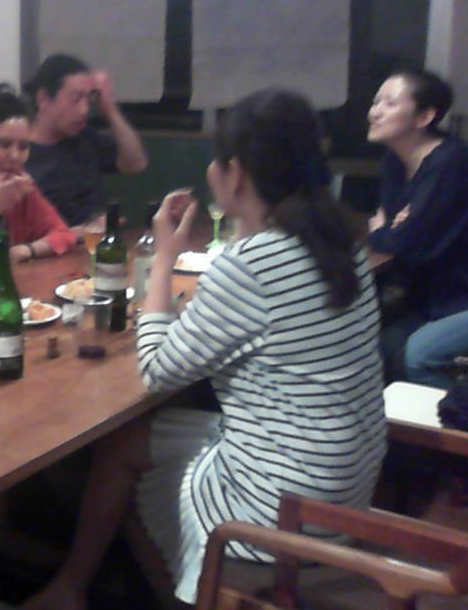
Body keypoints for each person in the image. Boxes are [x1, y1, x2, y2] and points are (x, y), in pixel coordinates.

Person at [23, 89, 386, 610]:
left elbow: (156, 370)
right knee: (125, 442)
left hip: (279, 501)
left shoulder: (253, 264)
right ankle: (73, 588)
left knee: (129, 466)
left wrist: (163, 257)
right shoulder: (342, 242)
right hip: (343, 485)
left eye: (217, 162)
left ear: (234, 174)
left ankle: (190, 594)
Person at [365, 68, 468, 385]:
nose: (375, 112)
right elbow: (398, 233)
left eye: (389, 103)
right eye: (375, 102)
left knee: (418, 356)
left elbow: (404, 242)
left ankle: (466, 415)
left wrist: (386, 230)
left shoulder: (450, 163)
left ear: (424, 116)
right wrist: (393, 229)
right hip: (441, 295)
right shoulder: (395, 161)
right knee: (374, 346)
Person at [21, 54, 148, 227]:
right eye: (75, 99)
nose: (84, 110)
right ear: (43, 99)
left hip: (101, 240)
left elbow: (136, 163)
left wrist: (109, 109)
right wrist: (90, 230)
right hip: (61, 243)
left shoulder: (84, 138)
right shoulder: (21, 156)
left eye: (88, 100)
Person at [0, 83, 78, 262]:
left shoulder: (20, 187)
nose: (15, 156)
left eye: (23, 146)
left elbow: (64, 234)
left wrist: (29, 249)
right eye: (4, 145)